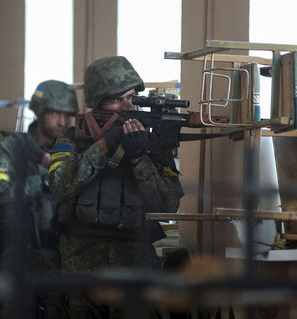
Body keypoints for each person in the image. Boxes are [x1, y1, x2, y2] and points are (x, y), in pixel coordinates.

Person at [48, 56, 184, 318]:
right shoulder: (71, 136)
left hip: (134, 261)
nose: (126, 106)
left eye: (132, 96)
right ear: (97, 102)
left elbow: (168, 205)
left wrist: (138, 158)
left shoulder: (151, 136)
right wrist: (103, 146)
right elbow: (60, 186)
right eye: (116, 99)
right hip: (81, 261)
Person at [0, 80, 78, 318]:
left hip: (61, 255)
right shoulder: (13, 147)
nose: (63, 122)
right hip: (17, 252)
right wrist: (42, 181)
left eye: (68, 115)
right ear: (40, 112)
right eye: (55, 113)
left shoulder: (73, 149)